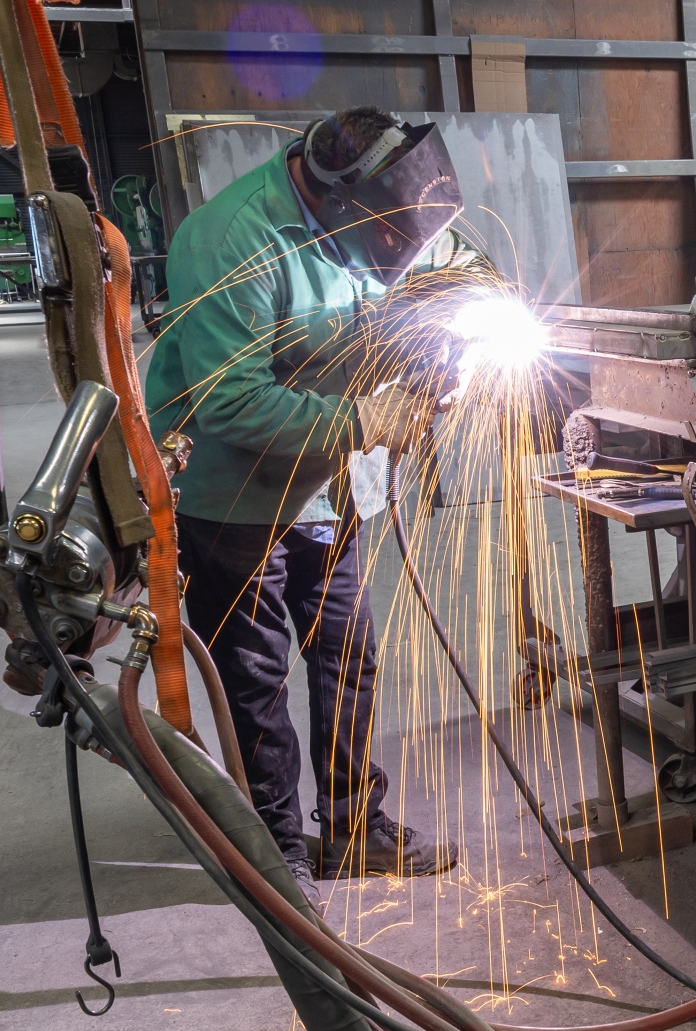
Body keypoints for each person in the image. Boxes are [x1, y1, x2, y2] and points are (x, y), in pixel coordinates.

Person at [145, 106, 464, 900]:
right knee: (254, 680)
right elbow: (230, 404)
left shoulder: (374, 213)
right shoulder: (232, 241)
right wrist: (364, 419)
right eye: (390, 237)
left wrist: (433, 362)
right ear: (335, 199)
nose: (398, 251)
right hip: (233, 498)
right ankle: (276, 850)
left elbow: (399, 308)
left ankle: (355, 824)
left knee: (347, 653)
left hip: (331, 489)